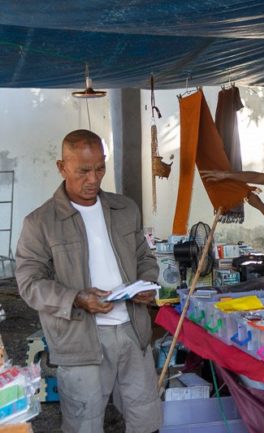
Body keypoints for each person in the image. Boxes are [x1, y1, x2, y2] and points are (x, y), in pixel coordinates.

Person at [15, 130, 162, 432]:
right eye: (83, 170)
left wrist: (146, 285)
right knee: (85, 424)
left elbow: (145, 258)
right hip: (79, 339)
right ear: (62, 167)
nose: (93, 179)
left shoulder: (125, 209)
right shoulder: (40, 223)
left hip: (133, 331)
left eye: (100, 168)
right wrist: (76, 298)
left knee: (145, 418)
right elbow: (30, 284)